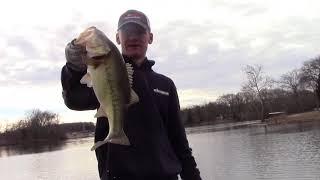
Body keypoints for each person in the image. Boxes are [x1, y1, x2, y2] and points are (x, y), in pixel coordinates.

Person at [61, 9, 202, 180]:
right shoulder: (103, 76)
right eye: (127, 32)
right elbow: (74, 99)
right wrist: (74, 67)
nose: (133, 37)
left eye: (139, 32)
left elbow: (180, 142)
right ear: (118, 37)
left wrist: (193, 176)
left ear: (150, 37)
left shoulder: (166, 85)